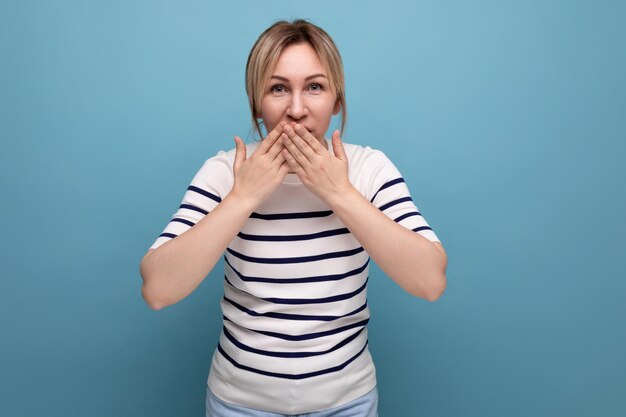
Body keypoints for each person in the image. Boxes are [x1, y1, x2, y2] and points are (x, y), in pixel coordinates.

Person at [140, 18, 447, 417]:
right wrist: (243, 196)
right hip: (239, 405)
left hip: (347, 404)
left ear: (337, 100)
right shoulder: (224, 173)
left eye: (315, 87)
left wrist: (338, 192)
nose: (296, 109)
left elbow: (430, 281)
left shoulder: (369, 169)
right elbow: (158, 289)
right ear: (256, 102)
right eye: (278, 88)